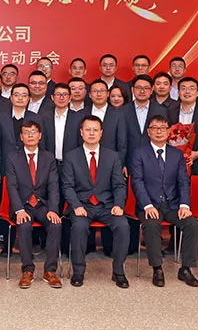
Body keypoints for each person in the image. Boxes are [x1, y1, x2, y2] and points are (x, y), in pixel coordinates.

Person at [131, 114, 198, 288]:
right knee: (152, 224)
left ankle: (186, 269)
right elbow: (137, 182)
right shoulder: (139, 153)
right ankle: (157, 269)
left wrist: (184, 205)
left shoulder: (176, 154)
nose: (159, 132)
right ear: (148, 132)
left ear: (169, 131)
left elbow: (183, 182)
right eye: (154, 128)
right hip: (149, 205)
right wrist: (147, 205)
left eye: (163, 128)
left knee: (192, 224)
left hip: (173, 205)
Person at [62, 115, 131, 288]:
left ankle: (118, 272)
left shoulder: (112, 156)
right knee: (78, 227)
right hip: (82, 205)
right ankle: (78, 272)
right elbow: (67, 186)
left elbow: (119, 185)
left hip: (107, 205)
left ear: (101, 133)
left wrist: (118, 205)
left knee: (123, 226)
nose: (91, 133)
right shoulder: (71, 156)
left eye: (95, 130)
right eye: (88, 130)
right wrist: (76, 206)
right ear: (81, 132)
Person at [5, 120, 63, 289]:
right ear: (21, 137)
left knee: (55, 224)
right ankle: (27, 270)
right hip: (22, 205)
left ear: (40, 136)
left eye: (33, 132)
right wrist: (19, 210)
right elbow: (11, 186)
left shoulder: (48, 158)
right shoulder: (12, 157)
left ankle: (50, 271)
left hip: (43, 204)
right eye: (26, 132)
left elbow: (53, 186)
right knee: (24, 225)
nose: (30, 135)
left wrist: (53, 209)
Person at [167, 77, 198, 170]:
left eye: (191, 88)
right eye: (183, 88)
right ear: (178, 92)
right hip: (173, 162)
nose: (187, 92)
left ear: (197, 93)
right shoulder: (170, 112)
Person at [87, 80, 128, 174]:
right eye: (95, 91)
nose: (98, 94)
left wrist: (118, 166)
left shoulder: (118, 115)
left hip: (111, 165)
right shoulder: (81, 114)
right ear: (90, 94)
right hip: (85, 165)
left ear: (108, 94)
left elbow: (122, 144)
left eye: (102, 91)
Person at [42, 83, 82, 163]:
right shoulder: (43, 118)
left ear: (70, 97)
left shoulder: (78, 118)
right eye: (58, 94)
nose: (61, 98)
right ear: (52, 97)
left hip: (72, 163)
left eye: (65, 94)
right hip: (49, 163)